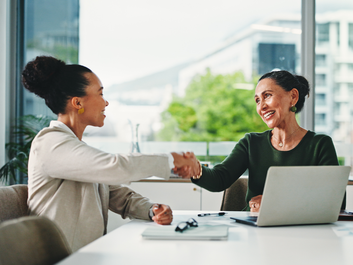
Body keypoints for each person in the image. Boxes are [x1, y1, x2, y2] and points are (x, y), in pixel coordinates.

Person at [22, 56, 199, 252]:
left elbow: (114, 193)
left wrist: (151, 209)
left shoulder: (73, 149)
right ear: (78, 103)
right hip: (57, 259)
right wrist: (171, 159)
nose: (105, 102)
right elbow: (115, 166)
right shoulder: (50, 143)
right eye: (100, 93)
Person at [178, 70, 345, 212]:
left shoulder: (320, 145)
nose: (261, 106)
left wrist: (275, 203)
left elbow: (335, 200)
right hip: (253, 230)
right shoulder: (251, 143)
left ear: (293, 97)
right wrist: (196, 170)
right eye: (257, 100)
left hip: (303, 233)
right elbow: (220, 179)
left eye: (267, 96)